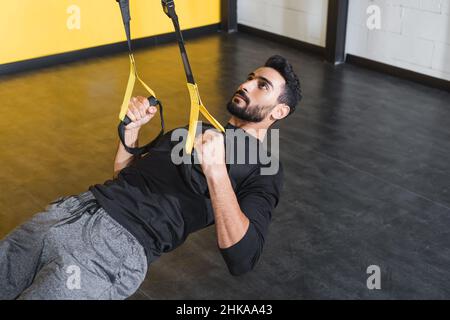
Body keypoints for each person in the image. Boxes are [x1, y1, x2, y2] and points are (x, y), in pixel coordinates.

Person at [0, 55, 302, 300]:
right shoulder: (194, 129)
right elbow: (124, 177)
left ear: (280, 111)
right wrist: (131, 132)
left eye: (262, 85)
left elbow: (243, 257)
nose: (246, 84)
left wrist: (217, 172)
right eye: (249, 77)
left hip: (110, 250)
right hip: (69, 212)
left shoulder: (264, 166)